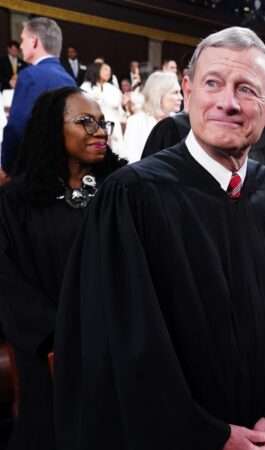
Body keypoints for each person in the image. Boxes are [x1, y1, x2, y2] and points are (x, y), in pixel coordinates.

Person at [54, 26, 265, 450]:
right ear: (187, 91)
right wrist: (210, 434)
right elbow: (122, 344)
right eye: (212, 83)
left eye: (246, 90)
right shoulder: (132, 196)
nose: (227, 103)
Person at [0, 86, 125, 450]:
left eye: (102, 123)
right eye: (84, 122)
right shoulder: (14, 202)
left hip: (116, 347)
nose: (99, 131)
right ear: (51, 129)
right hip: (46, 353)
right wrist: (59, 338)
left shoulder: (122, 192)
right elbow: (8, 283)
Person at [1, 17, 75, 177]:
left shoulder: (30, 75)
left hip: (30, 170)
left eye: (22, 40)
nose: (20, 46)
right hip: (59, 168)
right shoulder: (69, 79)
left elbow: (16, 128)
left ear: (34, 42)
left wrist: (6, 167)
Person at [122, 71, 182, 162]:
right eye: (175, 92)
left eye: (180, 92)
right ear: (159, 94)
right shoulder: (136, 122)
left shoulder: (179, 122)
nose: (181, 97)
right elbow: (131, 160)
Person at [80, 63, 125, 153]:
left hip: (112, 125)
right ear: (96, 70)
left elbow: (117, 105)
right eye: (105, 69)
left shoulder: (112, 88)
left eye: (109, 70)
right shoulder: (86, 87)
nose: (108, 72)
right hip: (94, 125)